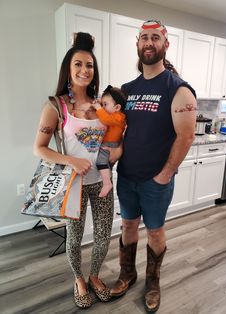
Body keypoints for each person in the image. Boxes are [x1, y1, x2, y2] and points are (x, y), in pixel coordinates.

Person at [109, 20, 197, 313]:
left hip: (155, 181)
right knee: (128, 225)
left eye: (155, 37)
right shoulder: (127, 89)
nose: (149, 42)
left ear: (165, 44)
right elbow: (115, 128)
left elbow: (186, 137)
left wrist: (165, 175)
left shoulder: (178, 89)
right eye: (144, 37)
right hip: (127, 176)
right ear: (138, 43)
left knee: (156, 232)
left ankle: (153, 282)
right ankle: (128, 273)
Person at [34, 32, 114, 309]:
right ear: (68, 69)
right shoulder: (56, 106)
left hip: (102, 181)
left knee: (104, 233)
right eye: (78, 64)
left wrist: (115, 151)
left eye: (89, 65)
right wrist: (72, 161)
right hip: (74, 184)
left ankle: (94, 275)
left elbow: (112, 137)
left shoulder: (103, 104)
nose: (84, 70)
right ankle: (79, 278)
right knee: (75, 236)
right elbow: (40, 148)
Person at [91, 85, 126, 197]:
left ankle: (107, 183)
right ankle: (106, 180)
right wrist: (100, 104)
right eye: (102, 104)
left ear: (117, 107)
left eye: (105, 104)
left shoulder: (119, 116)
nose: (103, 107)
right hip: (108, 143)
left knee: (100, 162)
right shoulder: (114, 114)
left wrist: (98, 108)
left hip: (110, 144)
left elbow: (105, 119)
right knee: (106, 165)